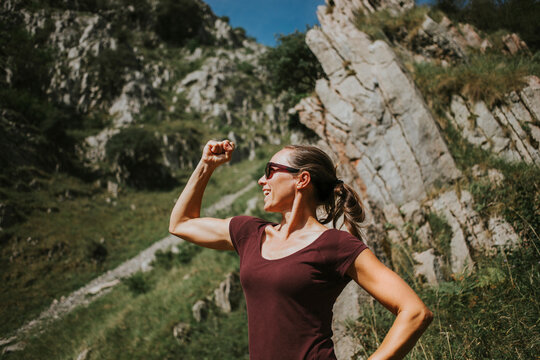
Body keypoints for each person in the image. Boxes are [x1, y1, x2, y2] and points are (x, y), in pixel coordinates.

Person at [169, 139, 433, 360]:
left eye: (270, 170)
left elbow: (415, 312)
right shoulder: (249, 232)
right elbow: (181, 223)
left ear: (302, 179)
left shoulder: (336, 245)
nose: (262, 180)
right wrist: (206, 165)